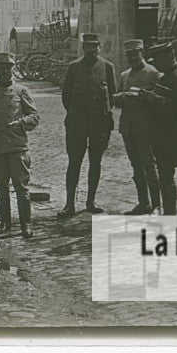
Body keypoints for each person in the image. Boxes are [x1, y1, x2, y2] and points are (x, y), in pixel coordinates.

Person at [0, 52, 40, 238]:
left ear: (12, 69)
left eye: (8, 68)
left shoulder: (21, 91)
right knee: (1, 187)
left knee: (21, 187)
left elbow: (35, 116)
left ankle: (26, 224)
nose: (4, 71)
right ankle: (5, 223)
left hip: (17, 147)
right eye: (1, 68)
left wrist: (20, 123)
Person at [59, 33, 119, 218]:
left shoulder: (107, 67)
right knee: (74, 162)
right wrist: (76, 112)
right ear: (83, 47)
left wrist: (100, 114)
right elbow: (66, 95)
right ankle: (69, 204)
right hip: (77, 123)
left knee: (95, 162)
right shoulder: (74, 67)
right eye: (88, 46)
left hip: (99, 124)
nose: (92, 49)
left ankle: (91, 201)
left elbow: (112, 96)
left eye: (95, 46)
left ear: (99, 47)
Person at [114, 38, 162, 216]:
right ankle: (143, 203)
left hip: (146, 127)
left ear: (142, 53)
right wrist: (121, 97)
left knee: (149, 165)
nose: (133, 58)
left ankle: (157, 205)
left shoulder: (153, 73)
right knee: (135, 166)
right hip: (128, 128)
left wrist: (144, 98)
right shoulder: (124, 75)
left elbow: (159, 102)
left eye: (136, 54)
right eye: (130, 55)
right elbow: (117, 98)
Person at [146, 42, 177, 216]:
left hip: (172, 136)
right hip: (161, 135)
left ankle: (170, 216)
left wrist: (155, 100)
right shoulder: (165, 76)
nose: (156, 65)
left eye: (158, 61)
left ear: (169, 57)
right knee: (164, 176)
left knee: (166, 176)